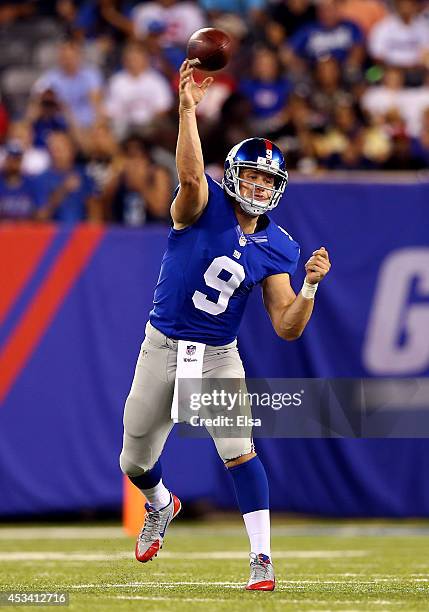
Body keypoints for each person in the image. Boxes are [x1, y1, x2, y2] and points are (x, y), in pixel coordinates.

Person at [119, 60, 331, 591]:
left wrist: (307, 287)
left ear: (277, 187)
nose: (258, 186)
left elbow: (286, 326)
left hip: (216, 355)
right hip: (163, 346)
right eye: (252, 175)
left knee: (238, 447)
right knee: (134, 458)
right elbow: (190, 174)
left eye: (267, 179)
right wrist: (187, 110)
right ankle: (162, 504)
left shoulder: (280, 245)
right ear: (235, 174)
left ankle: (262, 559)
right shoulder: (202, 202)